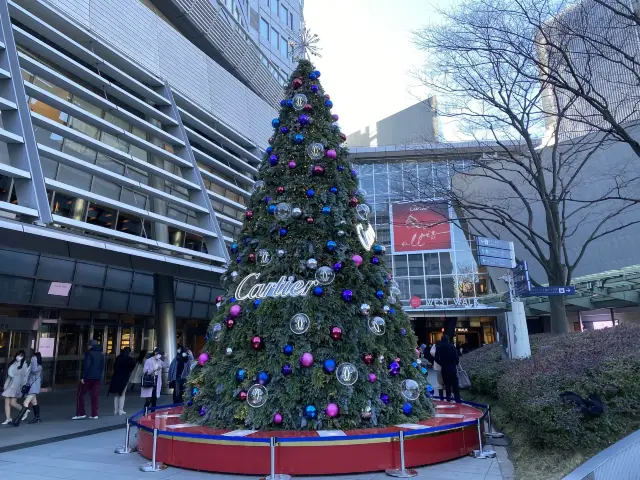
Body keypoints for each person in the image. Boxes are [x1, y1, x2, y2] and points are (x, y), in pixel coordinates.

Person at [73, 339, 105, 420]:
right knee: (95, 396)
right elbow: (102, 366)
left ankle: (81, 413)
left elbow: (87, 366)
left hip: (88, 377)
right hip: (97, 378)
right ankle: (94, 414)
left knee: (80, 394)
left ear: (91, 346)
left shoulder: (89, 353)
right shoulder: (101, 354)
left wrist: (83, 377)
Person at [12, 352, 43, 426]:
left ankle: (17, 421)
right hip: (30, 387)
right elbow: (28, 373)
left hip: (34, 387)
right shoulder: (32, 365)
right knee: (34, 402)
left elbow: (34, 370)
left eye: (34, 357)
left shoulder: (39, 367)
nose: (32, 358)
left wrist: (34, 360)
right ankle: (37, 418)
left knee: (25, 403)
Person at [2, 350, 29, 425]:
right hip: (10, 385)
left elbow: (24, 377)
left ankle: (24, 410)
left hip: (17, 386)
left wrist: (22, 386)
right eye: (18, 355)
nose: (19, 357)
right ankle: (8, 418)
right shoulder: (14, 363)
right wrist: (5, 385)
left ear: (23, 357)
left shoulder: (24, 365)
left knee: (13, 403)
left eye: (21, 355)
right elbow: (10, 376)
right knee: (7, 401)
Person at [108, 347, 135, 416]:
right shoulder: (129, 359)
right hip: (124, 378)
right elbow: (132, 367)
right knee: (122, 393)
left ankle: (115, 410)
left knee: (116, 394)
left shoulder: (118, 358)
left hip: (116, 377)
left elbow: (114, 367)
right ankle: (120, 410)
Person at [434, 334, 461, 403]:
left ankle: (448, 399)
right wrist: (456, 363)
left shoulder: (439, 347)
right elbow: (456, 356)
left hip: (444, 368)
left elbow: (436, 358)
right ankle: (457, 400)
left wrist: (442, 363)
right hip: (452, 367)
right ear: (448, 339)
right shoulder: (452, 347)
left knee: (447, 384)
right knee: (455, 384)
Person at [141, 348, 167, 412]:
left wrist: (166, 358)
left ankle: (153, 414)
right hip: (150, 381)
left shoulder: (159, 361)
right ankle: (145, 414)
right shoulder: (148, 360)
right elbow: (145, 371)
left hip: (157, 381)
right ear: (156, 353)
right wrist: (154, 370)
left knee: (154, 399)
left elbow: (166, 365)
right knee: (148, 399)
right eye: (159, 354)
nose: (160, 356)